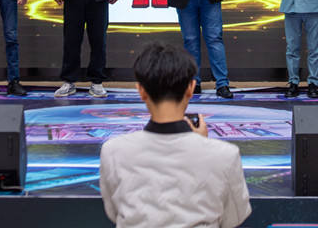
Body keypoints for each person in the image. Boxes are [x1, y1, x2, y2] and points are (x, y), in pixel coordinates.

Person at [99, 42, 251, 228]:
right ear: (191, 88)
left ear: (141, 90)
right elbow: (234, 217)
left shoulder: (114, 151)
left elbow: (114, 211)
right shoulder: (224, 155)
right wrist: (200, 146)